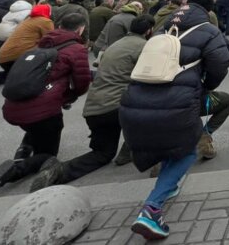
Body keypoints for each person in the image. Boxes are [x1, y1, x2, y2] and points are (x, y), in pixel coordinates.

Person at [119, 2, 229, 241]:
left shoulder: (160, 33)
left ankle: (167, 187)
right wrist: (206, 85)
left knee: (171, 145)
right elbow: (220, 62)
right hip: (176, 103)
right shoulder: (208, 31)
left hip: (135, 101)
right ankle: (152, 210)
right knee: (188, 151)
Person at [0, 13, 91, 202]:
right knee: (47, 154)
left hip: (15, 105)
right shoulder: (76, 49)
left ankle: (24, 148)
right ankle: (15, 170)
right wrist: (69, 97)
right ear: (80, 29)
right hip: (44, 110)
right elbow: (82, 81)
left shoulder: (43, 43)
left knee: (35, 125)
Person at [29, 14, 157, 191]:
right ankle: (133, 153)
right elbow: (150, 76)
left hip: (94, 109)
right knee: (149, 113)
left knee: (102, 153)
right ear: (149, 30)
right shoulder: (144, 46)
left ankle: (59, 171)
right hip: (117, 107)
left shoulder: (115, 45)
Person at [0, 3, 54, 89]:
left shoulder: (28, 20)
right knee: (24, 78)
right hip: (21, 57)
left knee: (15, 77)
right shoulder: (45, 21)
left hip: (5, 56)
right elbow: (50, 39)